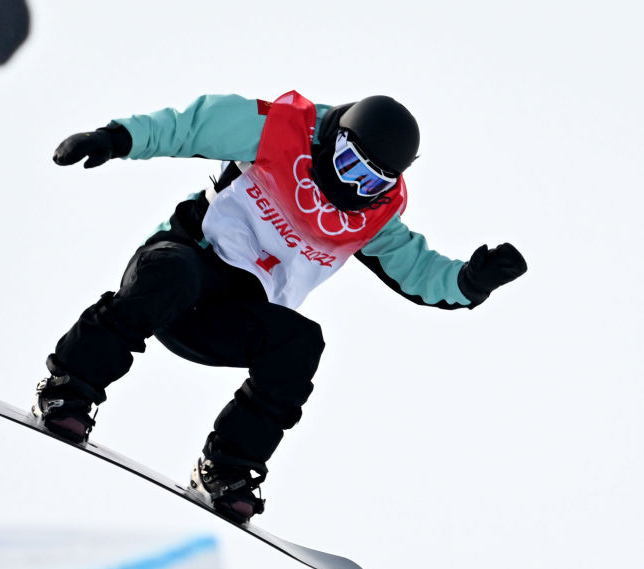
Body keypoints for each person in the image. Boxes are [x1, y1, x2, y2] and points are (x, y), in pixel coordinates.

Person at [35, 91, 527, 522]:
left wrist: (468, 281)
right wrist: (115, 139)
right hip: (187, 266)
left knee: (301, 342)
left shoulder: (373, 216)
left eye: (371, 183)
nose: (353, 188)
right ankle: (67, 388)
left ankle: (224, 470)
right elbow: (192, 125)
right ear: (334, 138)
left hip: (231, 317)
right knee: (173, 274)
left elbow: (418, 271)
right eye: (350, 166)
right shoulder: (282, 129)